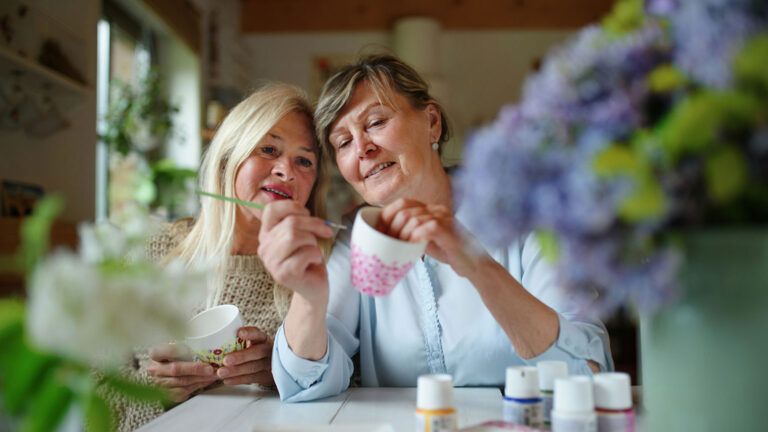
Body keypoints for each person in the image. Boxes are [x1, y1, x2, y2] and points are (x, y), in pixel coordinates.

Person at [259, 54, 614, 402]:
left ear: (432, 122)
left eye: (376, 122)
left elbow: (587, 371)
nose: (363, 149)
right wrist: (308, 297)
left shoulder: (526, 215)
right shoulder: (357, 239)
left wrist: (476, 264)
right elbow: (303, 385)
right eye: (344, 142)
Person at [116, 82, 332, 430]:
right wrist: (156, 393)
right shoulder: (147, 251)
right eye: (268, 149)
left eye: (304, 160)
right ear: (227, 159)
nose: (286, 171)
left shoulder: (315, 274)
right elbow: (84, 395)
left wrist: (280, 372)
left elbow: (342, 393)